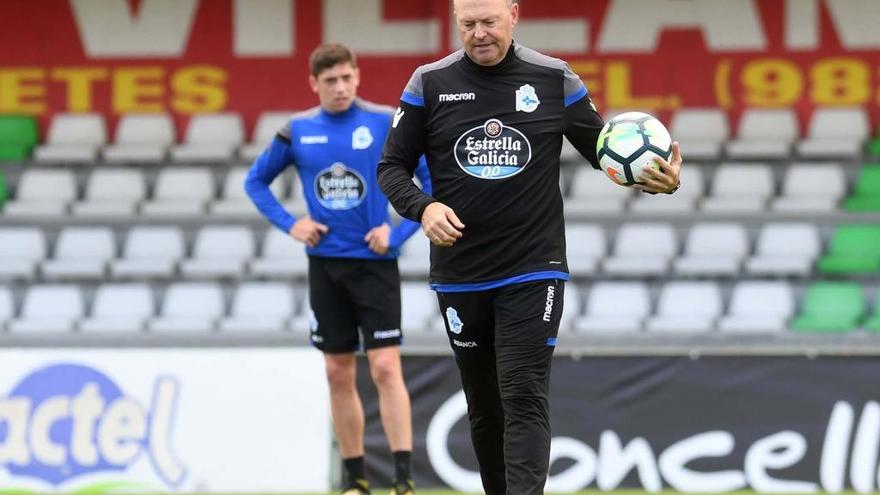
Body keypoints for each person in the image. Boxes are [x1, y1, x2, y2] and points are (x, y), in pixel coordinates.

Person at [377, 0, 682, 493]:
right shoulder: (428, 83)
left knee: (522, 390)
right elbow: (391, 167)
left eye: (489, 22)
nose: (478, 34)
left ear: (513, 16)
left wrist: (654, 180)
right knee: (484, 404)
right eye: (468, 24)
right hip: (461, 270)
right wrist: (424, 208)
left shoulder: (554, 78)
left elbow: (605, 153)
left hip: (532, 267)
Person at [245, 43, 431, 495]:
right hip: (326, 268)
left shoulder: (384, 122)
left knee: (386, 367)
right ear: (315, 83)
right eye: (331, 80)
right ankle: (357, 481)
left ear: (357, 76)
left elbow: (429, 179)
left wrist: (399, 232)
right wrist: (292, 224)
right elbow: (255, 181)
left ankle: (404, 482)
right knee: (337, 372)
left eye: (347, 78)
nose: (341, 87)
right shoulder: (298, 131)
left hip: (375, 266)